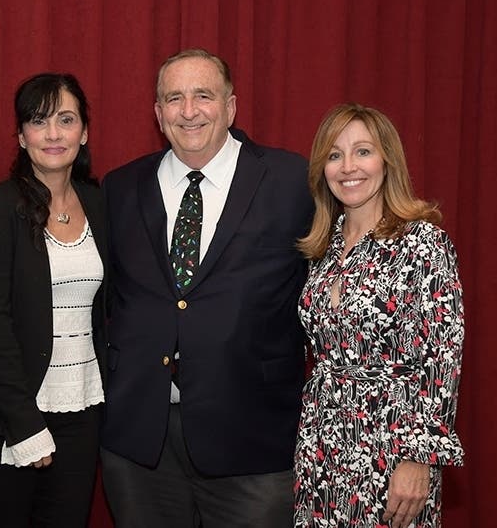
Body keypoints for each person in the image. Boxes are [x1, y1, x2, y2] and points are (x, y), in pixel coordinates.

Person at [99, 48, 314, 527]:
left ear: (231, 106)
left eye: (203, 95)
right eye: (174, 98)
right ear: (157, 114)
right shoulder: (120, 188)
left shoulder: (293, 181)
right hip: (141, 446)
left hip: (253, 441)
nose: (189, 111)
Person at [294, 103, 465, 528]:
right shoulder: (324, 249)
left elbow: (442, 360)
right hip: (322, 444)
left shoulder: (423, 243)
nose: (348, 167)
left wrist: (419, 457)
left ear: (388, 161)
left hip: (391, 450)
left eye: (363, 152)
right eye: (334, 155)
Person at [0, 73, 107, 527]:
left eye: (66, 120)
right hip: (10, 413)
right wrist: (24, 423)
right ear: (21, 136)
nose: (52, 134)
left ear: (83, 132)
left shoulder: (102, 204)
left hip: (84, 408)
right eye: (38, 121)